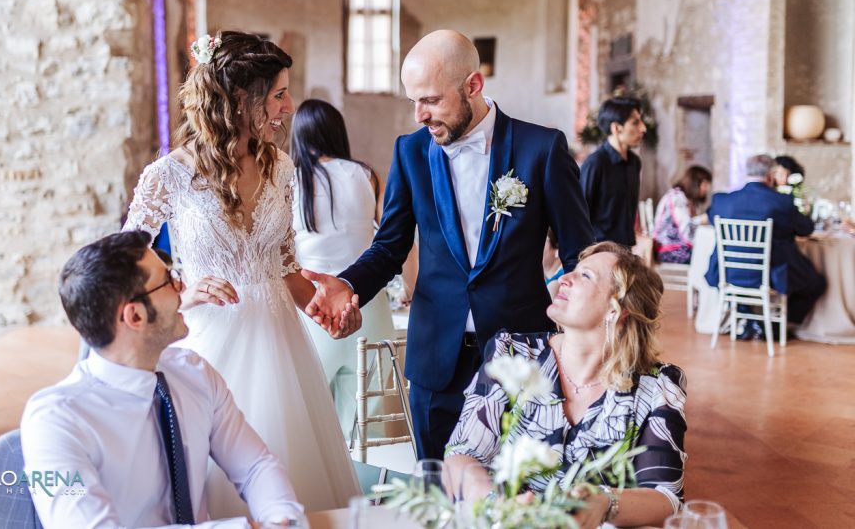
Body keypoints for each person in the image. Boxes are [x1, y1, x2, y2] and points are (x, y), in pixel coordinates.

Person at [303, 29, 594, 460]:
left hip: (523, 356)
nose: (419, 114)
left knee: (518, 496)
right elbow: (389, 247)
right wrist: (349, 284)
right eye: (412, 101)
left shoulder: (542, 149)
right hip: (436, 363)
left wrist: (588, 339)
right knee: (440, 492)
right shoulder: (410, 153)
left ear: (473, 86)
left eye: (431, 100)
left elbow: (579, 254)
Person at [122, 31, 359, 514]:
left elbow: (285, 265)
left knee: (294, 478)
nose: (289, 106)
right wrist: (181, 293)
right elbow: (121, 266)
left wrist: (326, 309)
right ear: (238, 100)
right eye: (277, 94)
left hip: (282, 345)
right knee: (214, 482)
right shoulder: (169, 175)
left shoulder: (283, 169)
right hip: (209, 342)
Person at [21, 231, 304, 528]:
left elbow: (255, 467)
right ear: (135, 316)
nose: (182, 286)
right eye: (169, 279)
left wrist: (281, 518)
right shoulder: (54, 420)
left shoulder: (194, 373)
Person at [444, 242, 685, 529]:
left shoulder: (657, 388)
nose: (564, 278)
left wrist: (605, 503)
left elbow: (665, 498)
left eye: (585, 276)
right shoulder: (513, 356)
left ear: (616, 310)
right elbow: (461, 455)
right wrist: (498, 505)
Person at [290, 98, 410, 431]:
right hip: (368, 307)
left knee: (313, 426)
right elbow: (395, 237)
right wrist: (410, 288)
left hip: (314, 309)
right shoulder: (366, 175)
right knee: (365, 426)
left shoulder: (289, 181)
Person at [704, 154, 826, 334]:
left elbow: (711, 218)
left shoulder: (721, 201)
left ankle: (748, 320)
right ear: (771, 175)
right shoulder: (781, 203)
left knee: (746, 279)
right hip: (770, 275)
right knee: (816, 283)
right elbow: (806, 229)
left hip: (728, 272)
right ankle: (776, 327)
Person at [580, 97, 647, 247]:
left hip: (626, 248)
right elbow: (580, 214)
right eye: (635, 123)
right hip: (599, 249)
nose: (643, 128)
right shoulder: (595, 163)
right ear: (616, 128)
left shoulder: (635, 162)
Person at [653, 165, 712, 264]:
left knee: (707, 255)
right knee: (707, 257)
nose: (706, 190)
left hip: (674, 248)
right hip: (669, 251)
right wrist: (703, 219)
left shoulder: (683, 198)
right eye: (705, 185)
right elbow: (685, 230)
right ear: (696, 183)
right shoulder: (677, 198)